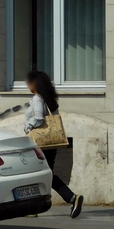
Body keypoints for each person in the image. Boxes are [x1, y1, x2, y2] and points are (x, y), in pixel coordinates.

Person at [24, 70, 84, 219]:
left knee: (41, 174)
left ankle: (71, 197)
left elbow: (38, 118)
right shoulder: (49, 99)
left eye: (30, 82)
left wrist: (28, 126)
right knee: (44, 174)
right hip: (51, 143)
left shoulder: (38, 99)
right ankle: (35, 207)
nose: (28, 85)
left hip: (41, 144)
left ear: (35, 83)